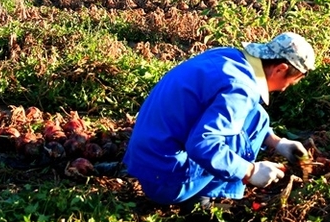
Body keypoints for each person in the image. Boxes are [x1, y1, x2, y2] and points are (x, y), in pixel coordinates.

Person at [124, 32, 316, 206]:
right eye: (295, 79)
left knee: (256, 114)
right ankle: (203, 200)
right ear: (280, 70)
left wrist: (277, 143)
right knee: (235, 138)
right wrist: (249, 171)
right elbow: (203, 143)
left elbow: (246, 116)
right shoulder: (241, 89)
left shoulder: (231, 58)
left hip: (149, 159)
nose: (287, 87)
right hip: (167, 180)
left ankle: (204, 191)